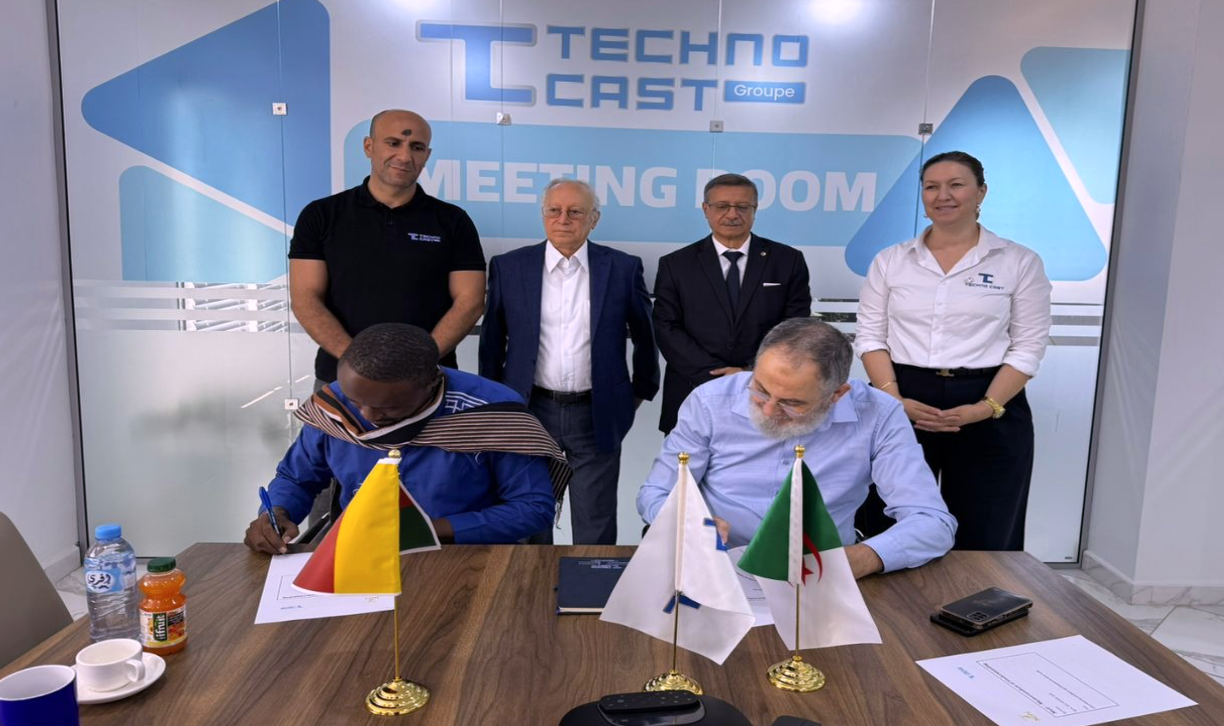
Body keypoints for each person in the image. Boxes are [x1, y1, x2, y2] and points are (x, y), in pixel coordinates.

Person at [637, 319, 955, 578]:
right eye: (760, 390)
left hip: (822, 574)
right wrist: (685, 522)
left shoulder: (878, 414)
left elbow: (932, 522)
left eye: (791, 403)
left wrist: (864, 557)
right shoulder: (710, 401)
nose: (768, 410)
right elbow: (656, 492)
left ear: (837, 394)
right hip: (715, 567)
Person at [854, 151, 1051, 551]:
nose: (942, 195)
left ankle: (980, 594)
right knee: (887, 523)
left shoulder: (1018, 261)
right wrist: (895, 401)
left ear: (981, 192)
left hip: (990, 401)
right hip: (900, 397)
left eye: (956, 185)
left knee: (987, 530)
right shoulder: (892, 260)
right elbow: (871, 337)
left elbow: (1028, 345)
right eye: (932, 187)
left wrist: (985, 407)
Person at [244, 323, 568, 554]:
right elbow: (296, 478)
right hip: (363, 552)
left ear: (431, 385)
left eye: (388, 407)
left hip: (467, 553)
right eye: (356, 401)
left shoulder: (492, 412)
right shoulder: (335, 405)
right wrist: (277, 514)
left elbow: (532, 508)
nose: (368, 416)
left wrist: (424, 530)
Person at [479, 179, 660, 545]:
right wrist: (498, 402)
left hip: (596, 412)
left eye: (575, 212)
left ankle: (590, 582)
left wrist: (635, 395)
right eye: (554, 210)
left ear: (594, 219)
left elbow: (646, 335)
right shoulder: (509, 267)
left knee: (595, 520)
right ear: (543, 215)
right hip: (529, 409)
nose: (563, 219)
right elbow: (493, 340)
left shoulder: (622, 268)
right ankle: (532, 581)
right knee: (529, 514)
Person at [288, 109, 486, 384]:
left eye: (416, 147)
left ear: (427, 155)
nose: (404, 156)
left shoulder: (454, 221)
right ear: (368, 147)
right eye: (393, 143)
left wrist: (418, 362)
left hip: (426, 379)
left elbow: (470, 302)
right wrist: (359, 364)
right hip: (342, 379)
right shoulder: (321, 215)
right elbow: (306, 299)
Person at [653, 173, 811, 435]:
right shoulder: (676, 264)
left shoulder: (787, 260)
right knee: (688, 461)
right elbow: (666, 327)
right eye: (722, 206)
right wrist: (716, 375)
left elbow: (795, 328)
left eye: (742, 207)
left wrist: (750, 372)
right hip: (692, 390)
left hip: (767, 393)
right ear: (706, 209)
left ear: (755, 210)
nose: (732, 214)